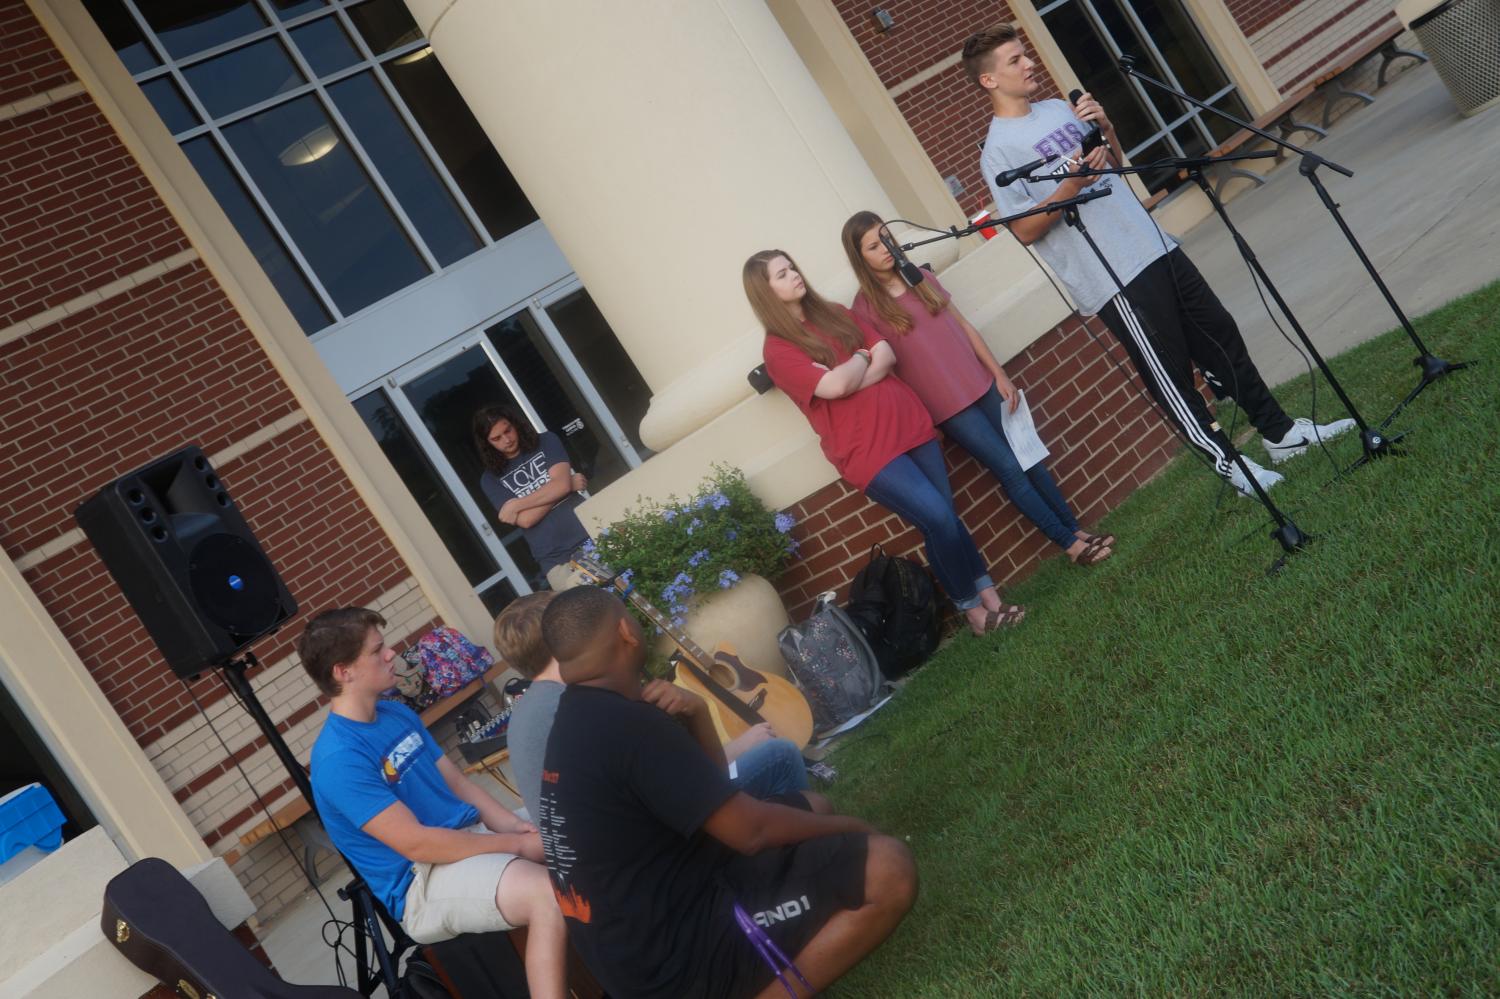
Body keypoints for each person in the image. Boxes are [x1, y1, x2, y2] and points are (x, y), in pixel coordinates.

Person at [963, 24, 1355, 497]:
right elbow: (1024, 230)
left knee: (1220, 335)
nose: (1029, 65)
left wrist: (1104, 128)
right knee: (1171, 376)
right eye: (1014, 61)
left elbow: (1114, 163)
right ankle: (1232, 466)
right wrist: (1071, 186)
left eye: (1025, 55)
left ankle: (1281, 434)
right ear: (989, 81)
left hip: (1152, 244)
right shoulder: (998, 149)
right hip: (1113, 276)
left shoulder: (1054, 109)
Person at [534, 586, 917, 999]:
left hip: (640, 945)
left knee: (814, 806)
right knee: (888, 867)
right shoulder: (628, 726)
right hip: (679, 958)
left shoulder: (576, 717)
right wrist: (855, 828)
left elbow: (714, 795)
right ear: (627, 631)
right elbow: (751, 833)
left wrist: (697, 712)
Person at [746, 248, 1023, 636]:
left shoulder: (836, 313)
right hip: (868, 453)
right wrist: (861, 356)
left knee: (946, 515)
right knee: (937, 518)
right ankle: (973, 612)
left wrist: (851, 370)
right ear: (765, 291)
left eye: (792, 266)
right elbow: (836, 385)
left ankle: (990, 598)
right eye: (781, 274)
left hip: (908, 423)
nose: (794, 274)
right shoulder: (779, 351)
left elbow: (886, 356)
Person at [298, 608, 566, 999]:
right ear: (344, 671)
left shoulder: (394, 712)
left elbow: (455, 781)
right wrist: (518, 845)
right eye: (378, 651)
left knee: (576, 825)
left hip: (468, 838)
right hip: (422, 881)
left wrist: (511, 825)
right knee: (546, 895)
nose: (391, 655)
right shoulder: (339, 759)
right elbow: (417, 844)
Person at [842, 210, 1115, 566]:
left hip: (981, 383)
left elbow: (965, 327)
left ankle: (1076, 529)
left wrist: (999, 375)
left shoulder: (920, 277)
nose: (885, 249)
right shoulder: (864, 308)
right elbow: (885, 370)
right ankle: (1069, 544)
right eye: (874, 245)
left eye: (887, 238)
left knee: (1027, 459)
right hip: (949, 408)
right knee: (1009, 469)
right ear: (859, 257)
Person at [494, 591, 824, 821]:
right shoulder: (585, 703)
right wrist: (739, 747)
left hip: (601, 849)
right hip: (647, 834)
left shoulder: (528, 711)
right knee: (777, 754)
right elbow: (676, 784)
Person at [473, 404, 591, 590]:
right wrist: (564, 487)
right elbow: (526, 520)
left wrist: (516, 505)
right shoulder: (490, 479)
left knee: (628, 596)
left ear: (515, 424)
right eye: (497, 438)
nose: (507, 439)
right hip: (555, 560)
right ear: (487, 443)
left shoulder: (546, 441)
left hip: (590, 535)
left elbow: (561, 485)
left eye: (508, 430)